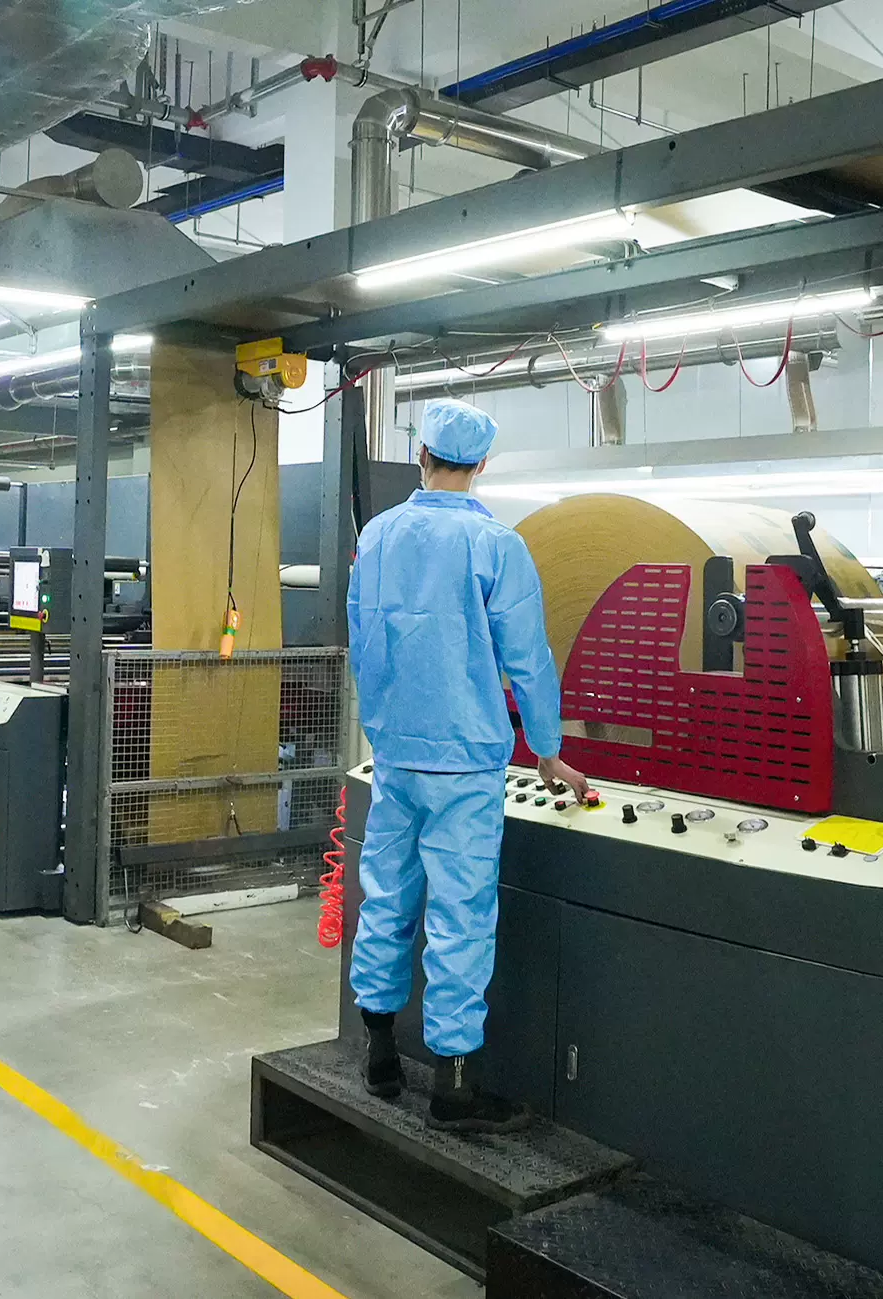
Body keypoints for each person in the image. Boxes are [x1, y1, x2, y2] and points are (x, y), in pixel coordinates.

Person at [346, 398, 591, 1133]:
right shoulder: (496, 546)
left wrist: (383, 725)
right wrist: (546, 748)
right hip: (466, 764)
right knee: (459, 918)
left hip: (394, 756)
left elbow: (364, 642)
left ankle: (379, 1056)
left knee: (386, 898)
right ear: (482, 464)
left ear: (420, 453)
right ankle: (454, 1088)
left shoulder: (377, 535)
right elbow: (528, 657)